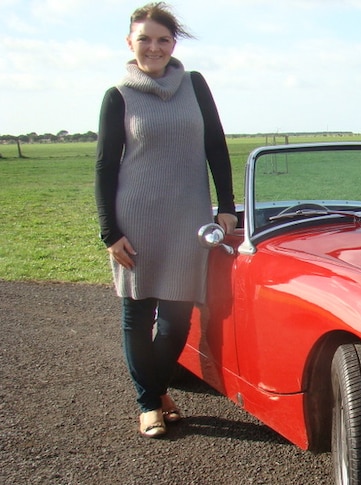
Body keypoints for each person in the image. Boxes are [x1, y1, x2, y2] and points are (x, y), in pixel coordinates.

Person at [94, 2, 237, 438]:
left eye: (162, 40)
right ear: (129, 42)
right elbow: (105, 167)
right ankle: (148, 403)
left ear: (173, 44)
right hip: (135, 219)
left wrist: (226, 205)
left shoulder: (194, 84)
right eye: (144, 39)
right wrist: (110, 232)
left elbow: (215, 145)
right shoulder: (118, 94)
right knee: (137, 316)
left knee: (176, 320)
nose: (153, 47)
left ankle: (153, 391)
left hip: (188, 220)